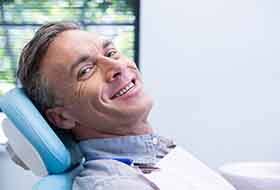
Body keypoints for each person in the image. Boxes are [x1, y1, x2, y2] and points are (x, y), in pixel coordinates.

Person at [16, 22, 235, 190]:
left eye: (110, 53)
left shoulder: (156, 151)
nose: (117, 67)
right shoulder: (114, 184)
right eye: (85, 71)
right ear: (62, 117)